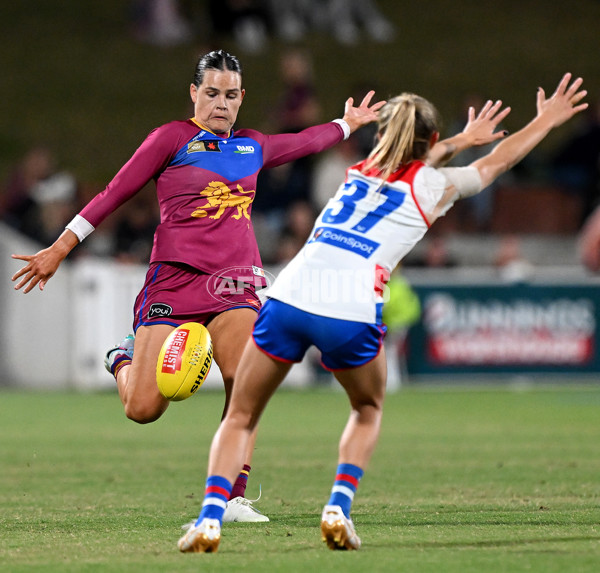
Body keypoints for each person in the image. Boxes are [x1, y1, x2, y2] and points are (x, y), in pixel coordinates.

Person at [177, 72, 587, 553]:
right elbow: (498, 162)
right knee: (367, 408)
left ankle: (209, 518)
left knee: (241, 416)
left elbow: (411, 154)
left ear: (384, 137)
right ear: (431, 141)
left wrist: (458, 138)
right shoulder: (433, 188)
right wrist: (544, 122)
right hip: (350, 306)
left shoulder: (360, 171)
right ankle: (337, 507)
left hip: (290, 295)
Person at [11, 49, 384, 523]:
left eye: (230, 95)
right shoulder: (171, 138)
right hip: (174, 282)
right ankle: (122, 358)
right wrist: (60, 248)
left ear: (242, 97)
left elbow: (306, 141)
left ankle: (233, 496)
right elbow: (113, 193)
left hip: (235, 285)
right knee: (143, 408)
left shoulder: (252, 145)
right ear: (194, 93)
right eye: (211, 93)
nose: (221, 104)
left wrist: (346, 124)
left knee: (248, 380)